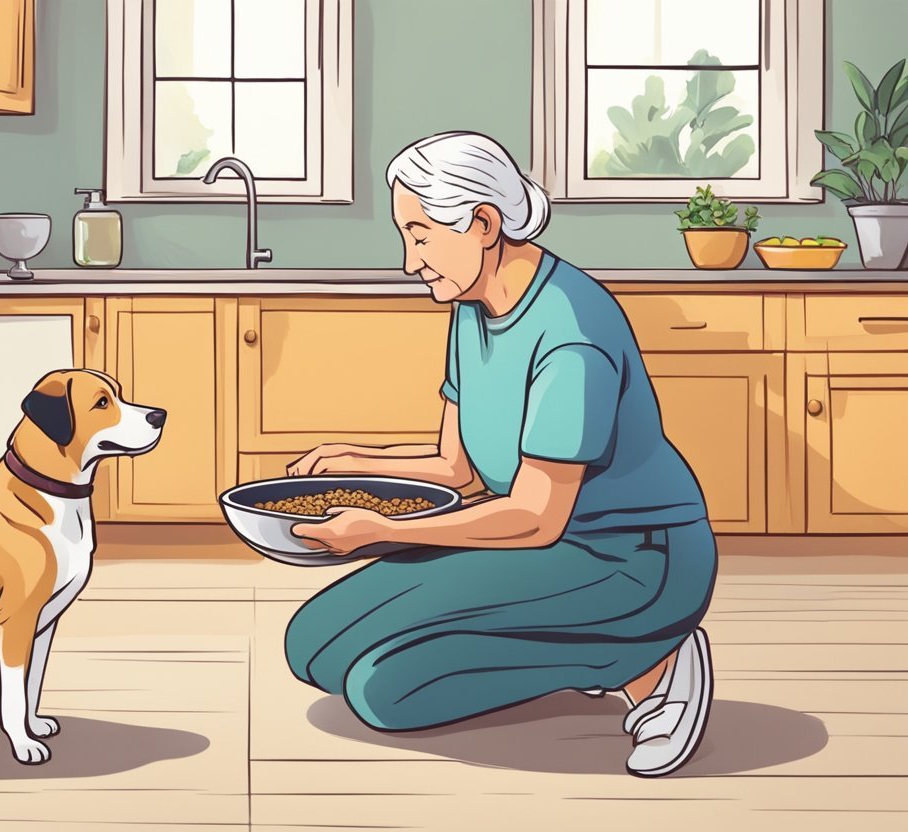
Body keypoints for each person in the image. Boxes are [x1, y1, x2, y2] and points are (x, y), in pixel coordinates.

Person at [283, 132, 717, 778]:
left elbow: (536, 515)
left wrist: (385, 532)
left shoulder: (572, 330)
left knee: (382, 688)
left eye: (420, 235)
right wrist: (357, 460)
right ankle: (595, 639)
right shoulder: (471, 305)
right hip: (544, 546)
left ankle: (647, 661)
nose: (409, 261)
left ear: (483, 225)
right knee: (312, 647)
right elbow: (456, 470)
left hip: (636, 557)